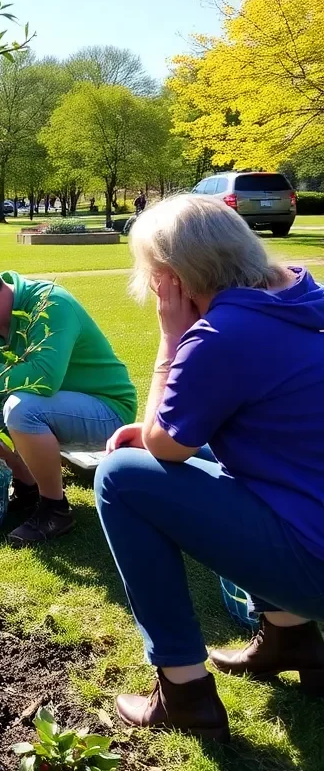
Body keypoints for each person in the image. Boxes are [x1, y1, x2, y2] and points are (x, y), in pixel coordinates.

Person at [95, 194, 324, 740]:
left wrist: (171, 337)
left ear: (172, 278)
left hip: (314, 560)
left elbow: (162, 447)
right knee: (223, 454)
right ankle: (290, 638)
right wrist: (171, 435)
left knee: (120, 478)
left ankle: (184, 692)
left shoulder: (221, 337)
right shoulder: (304, 296)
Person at [0, 256, 137, 546]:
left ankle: (54, 509)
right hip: (50, 412)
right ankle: (28, 486)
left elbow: (44, 378)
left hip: (107, 413)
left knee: (22, 407)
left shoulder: (50, 304)